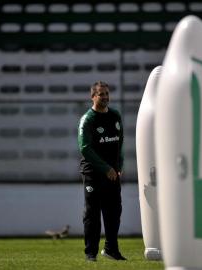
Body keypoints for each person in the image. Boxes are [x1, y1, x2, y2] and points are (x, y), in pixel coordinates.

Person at [77, 81, 126, 262]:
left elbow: (119, 144)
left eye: (107, 94)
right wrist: (105, 168)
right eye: (101, 94)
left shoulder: (115, 115)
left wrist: (118, 167)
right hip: (93, 174)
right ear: (93, 97)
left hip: (113, 174)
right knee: (92, 213)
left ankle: (111, 249)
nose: (105, 97)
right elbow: (85, 148)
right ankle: (91, 253)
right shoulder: (88, 119)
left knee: (114, 212)